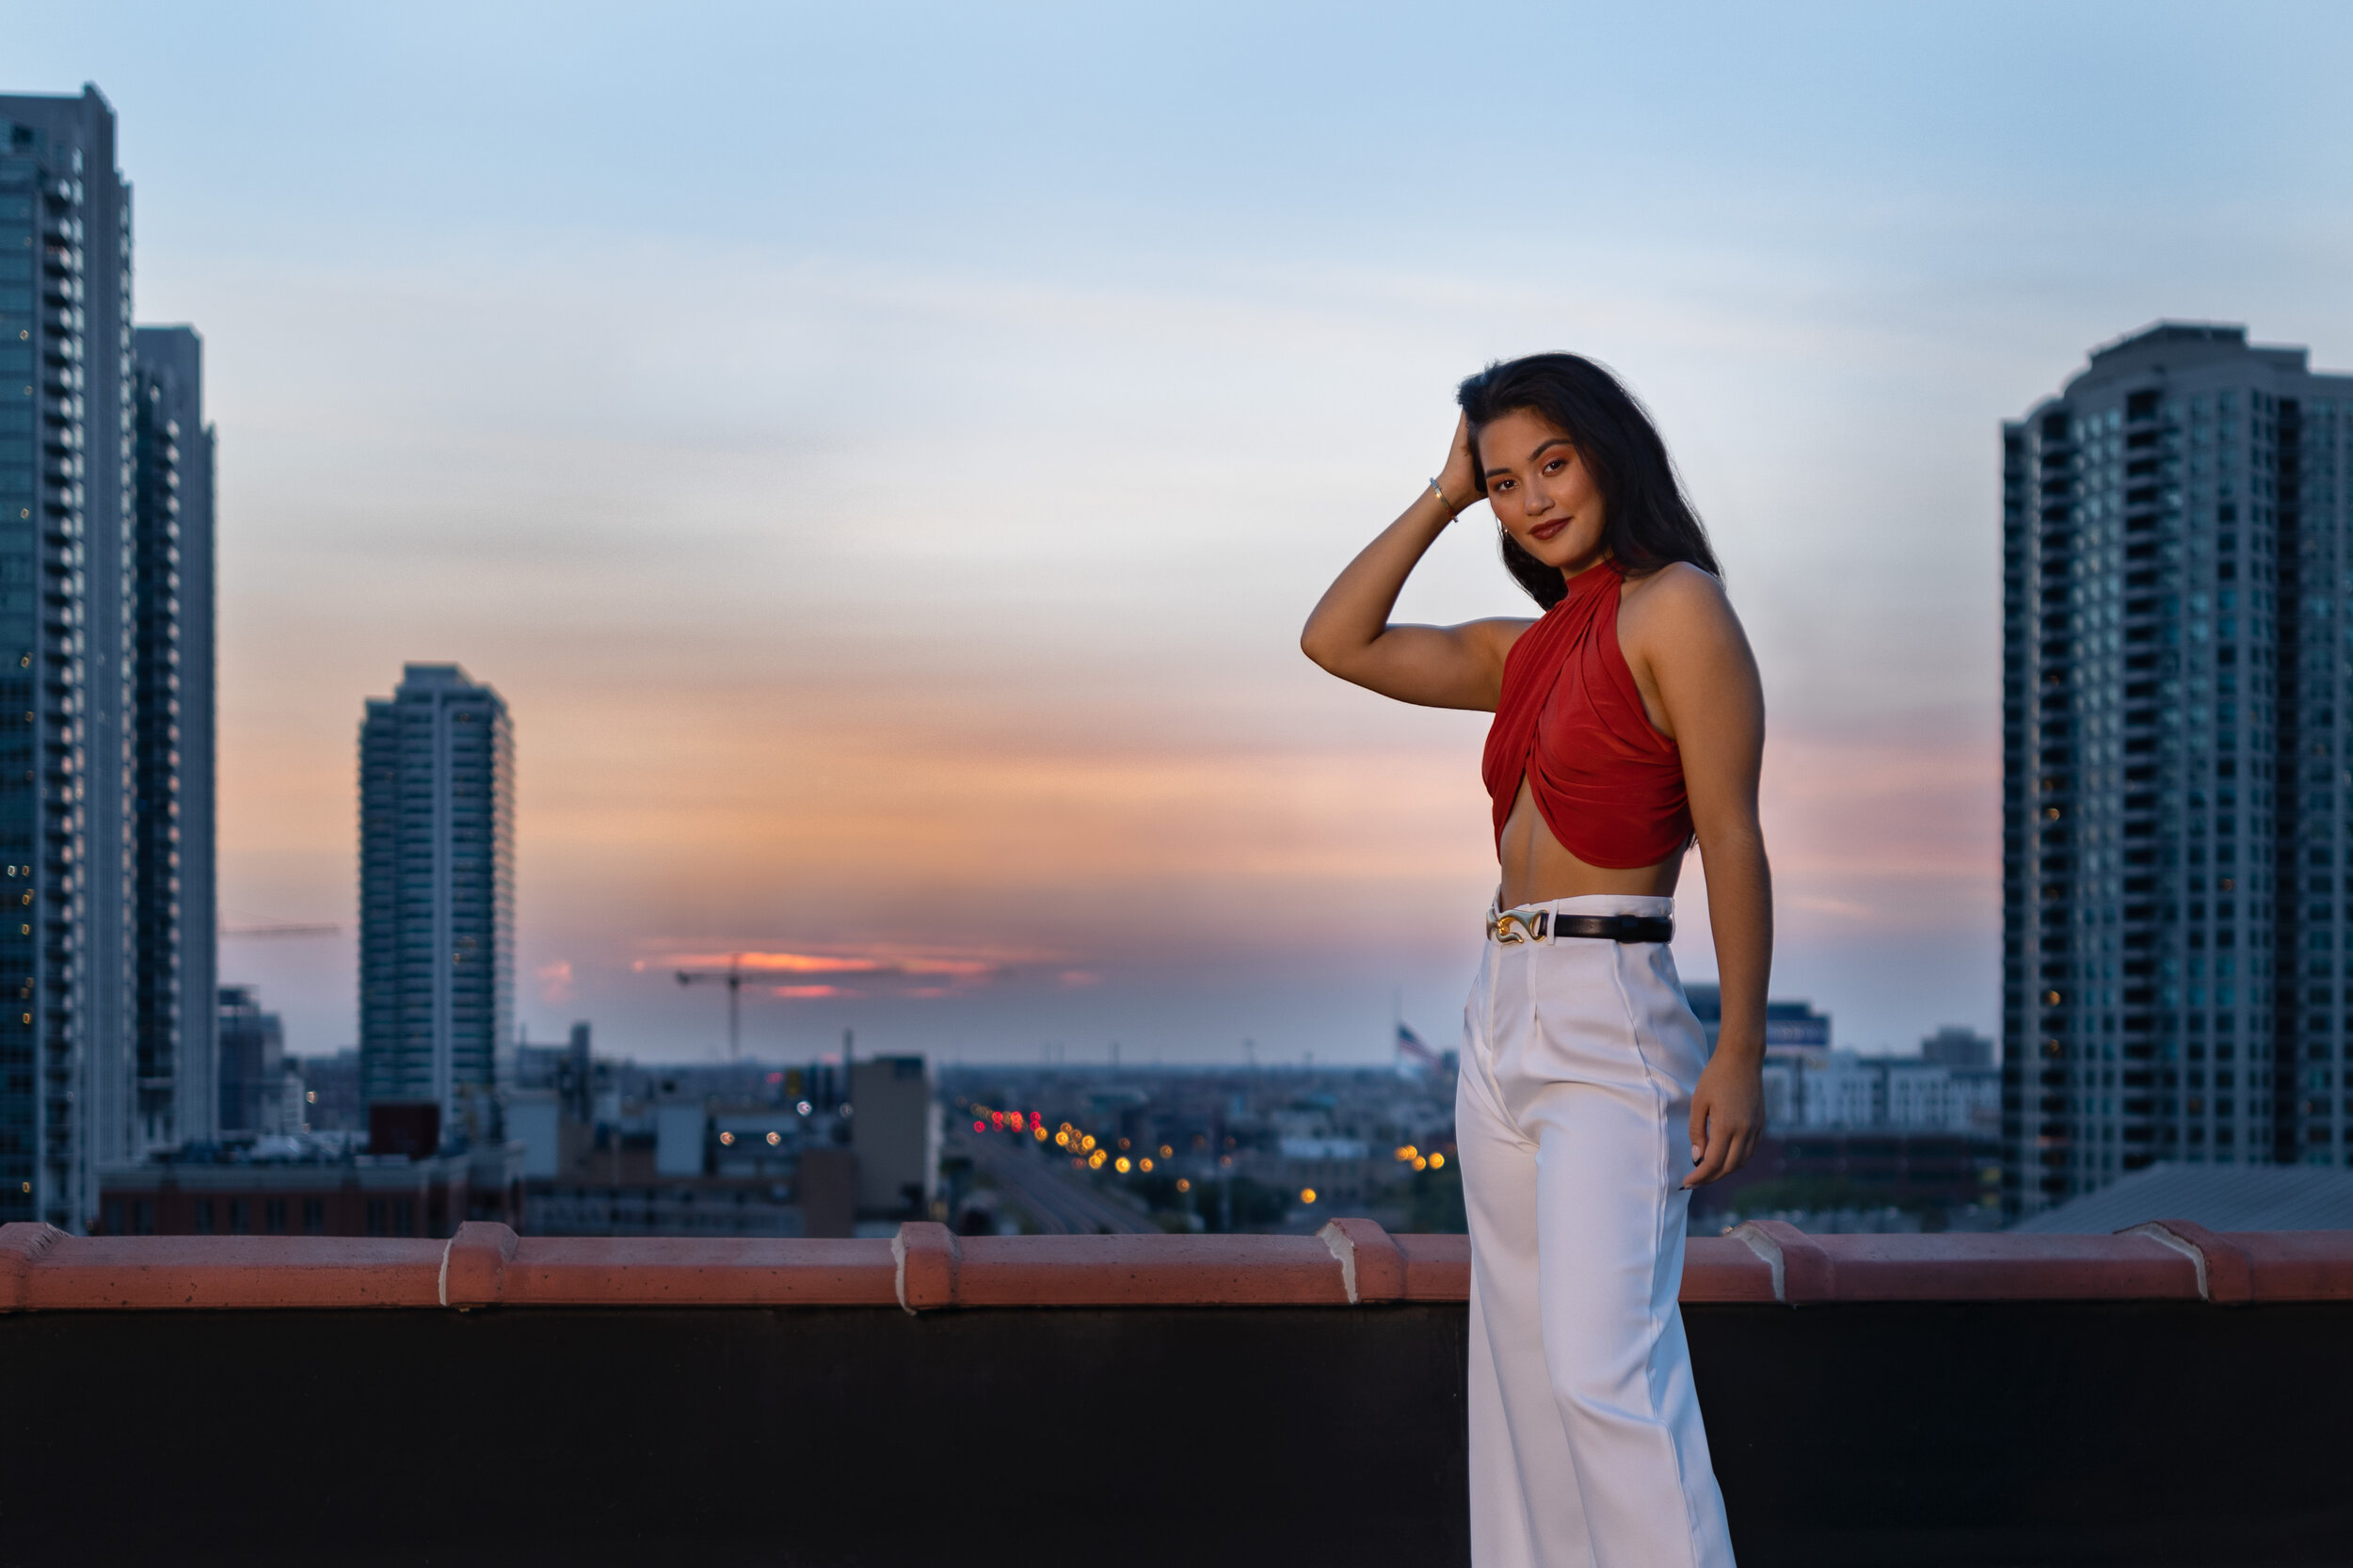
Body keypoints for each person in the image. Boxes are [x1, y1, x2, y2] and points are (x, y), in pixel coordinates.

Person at [1301, 353, 1768, 1567]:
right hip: (1499, 1012)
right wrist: (1441, 492)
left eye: (1551, 465)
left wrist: (1741, 1047)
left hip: (1609, 1002)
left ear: (1610, 453)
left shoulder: (1680, 609)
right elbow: (1335, 641)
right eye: (1506, 483)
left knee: (1602, 1367)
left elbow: (1732, 837)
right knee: (1518, 1377)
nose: (1532, 501)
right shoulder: (1533, 646)